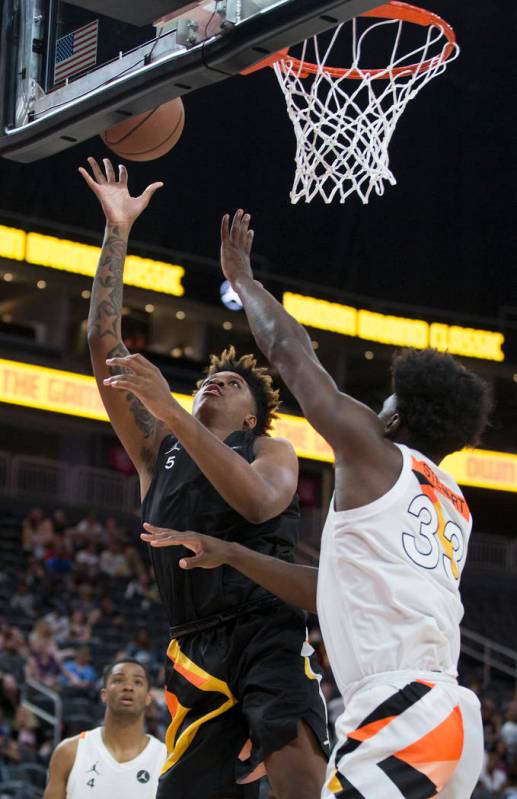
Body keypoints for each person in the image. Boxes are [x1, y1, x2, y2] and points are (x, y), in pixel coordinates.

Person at [141, 210, 493, 799]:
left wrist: (243, 279)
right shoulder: (452, 502)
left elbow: (292, 355)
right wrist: (230, 552)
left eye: (379, 406)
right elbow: (328, 588)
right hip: (453, 716)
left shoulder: (376, 455)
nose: (368, 413)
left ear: (396, 419)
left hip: (399, 706)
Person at [79, 159, 329, 799]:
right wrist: (117, 228)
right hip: (192, 646)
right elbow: (102, 340)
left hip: (266, 627)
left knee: (298, 771)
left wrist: (170, 410)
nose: (213, 381)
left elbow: (255, 504)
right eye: (204, 381)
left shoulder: (271, 448)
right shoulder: (155, 447)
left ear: (251, 411)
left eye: (233, 381)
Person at [43, 659, 166, 799]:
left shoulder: (166, 760)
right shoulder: (68, 752)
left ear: (148, 698)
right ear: (104, 694)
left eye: (137, 682)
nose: (128, 687)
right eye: (119, 680)